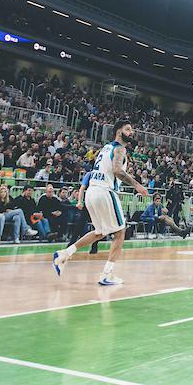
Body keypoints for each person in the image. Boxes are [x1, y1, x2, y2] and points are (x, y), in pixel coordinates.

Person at [53, 119, 149, 285]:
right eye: (128, 129)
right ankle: (107, 274)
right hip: (105, 191)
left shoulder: (106, 148)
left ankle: (65, 254)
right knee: (120, 232)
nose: (131, 133)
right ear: (118, 131)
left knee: (100, 232)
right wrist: (137, 185)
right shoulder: (120, 148)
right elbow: (117, 170)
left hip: (92, 191)